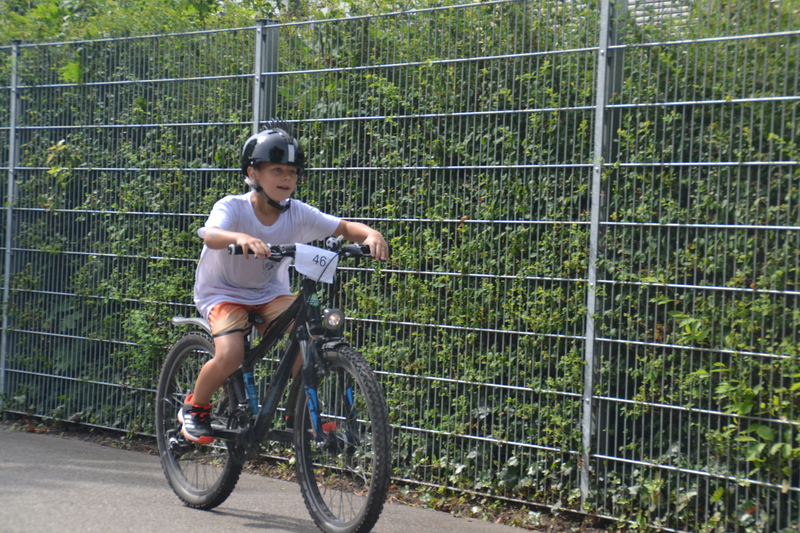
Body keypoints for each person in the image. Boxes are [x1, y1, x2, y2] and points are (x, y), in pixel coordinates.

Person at [179, 123, 389, 444]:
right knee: (231, 354)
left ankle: (298, 412)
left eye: (292, 172)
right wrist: (239, 237)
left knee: (310, 335)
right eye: (277, 170)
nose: (287, 178)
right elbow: (211, 234)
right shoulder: (232, 206)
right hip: (223, 293)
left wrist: (371, 235)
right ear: (253, 173)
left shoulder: (298, 213)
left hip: (268, 294)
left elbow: (344, 227)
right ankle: (195, 408)